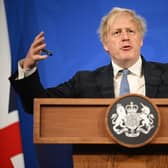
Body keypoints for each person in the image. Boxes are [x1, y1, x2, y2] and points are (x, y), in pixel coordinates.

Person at [9, 7, 168, 114]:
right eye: (117, 33)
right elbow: (38, 106)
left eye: (131, 31)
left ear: (140, 40)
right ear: (105, 44)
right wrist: (28, 69)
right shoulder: (84, 82)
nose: (125, 37)